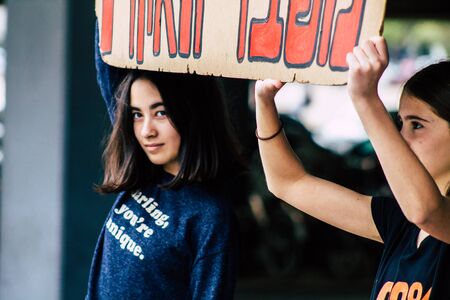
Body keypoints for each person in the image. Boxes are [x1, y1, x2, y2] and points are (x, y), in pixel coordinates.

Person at [254, 36, 450, 299]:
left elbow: (426, 211)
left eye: (417, 124)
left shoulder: (421, 215)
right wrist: (264, 101)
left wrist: (365, 99)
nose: (402, 137)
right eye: (400, 123)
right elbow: (288, 183)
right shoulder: (399, 221)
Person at [85, 27, 244, 299]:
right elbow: (106, 60)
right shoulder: (144, 172)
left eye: (160, 113)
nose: (147, 130)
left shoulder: (209, 217)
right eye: (137, 114)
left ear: (191, 113)